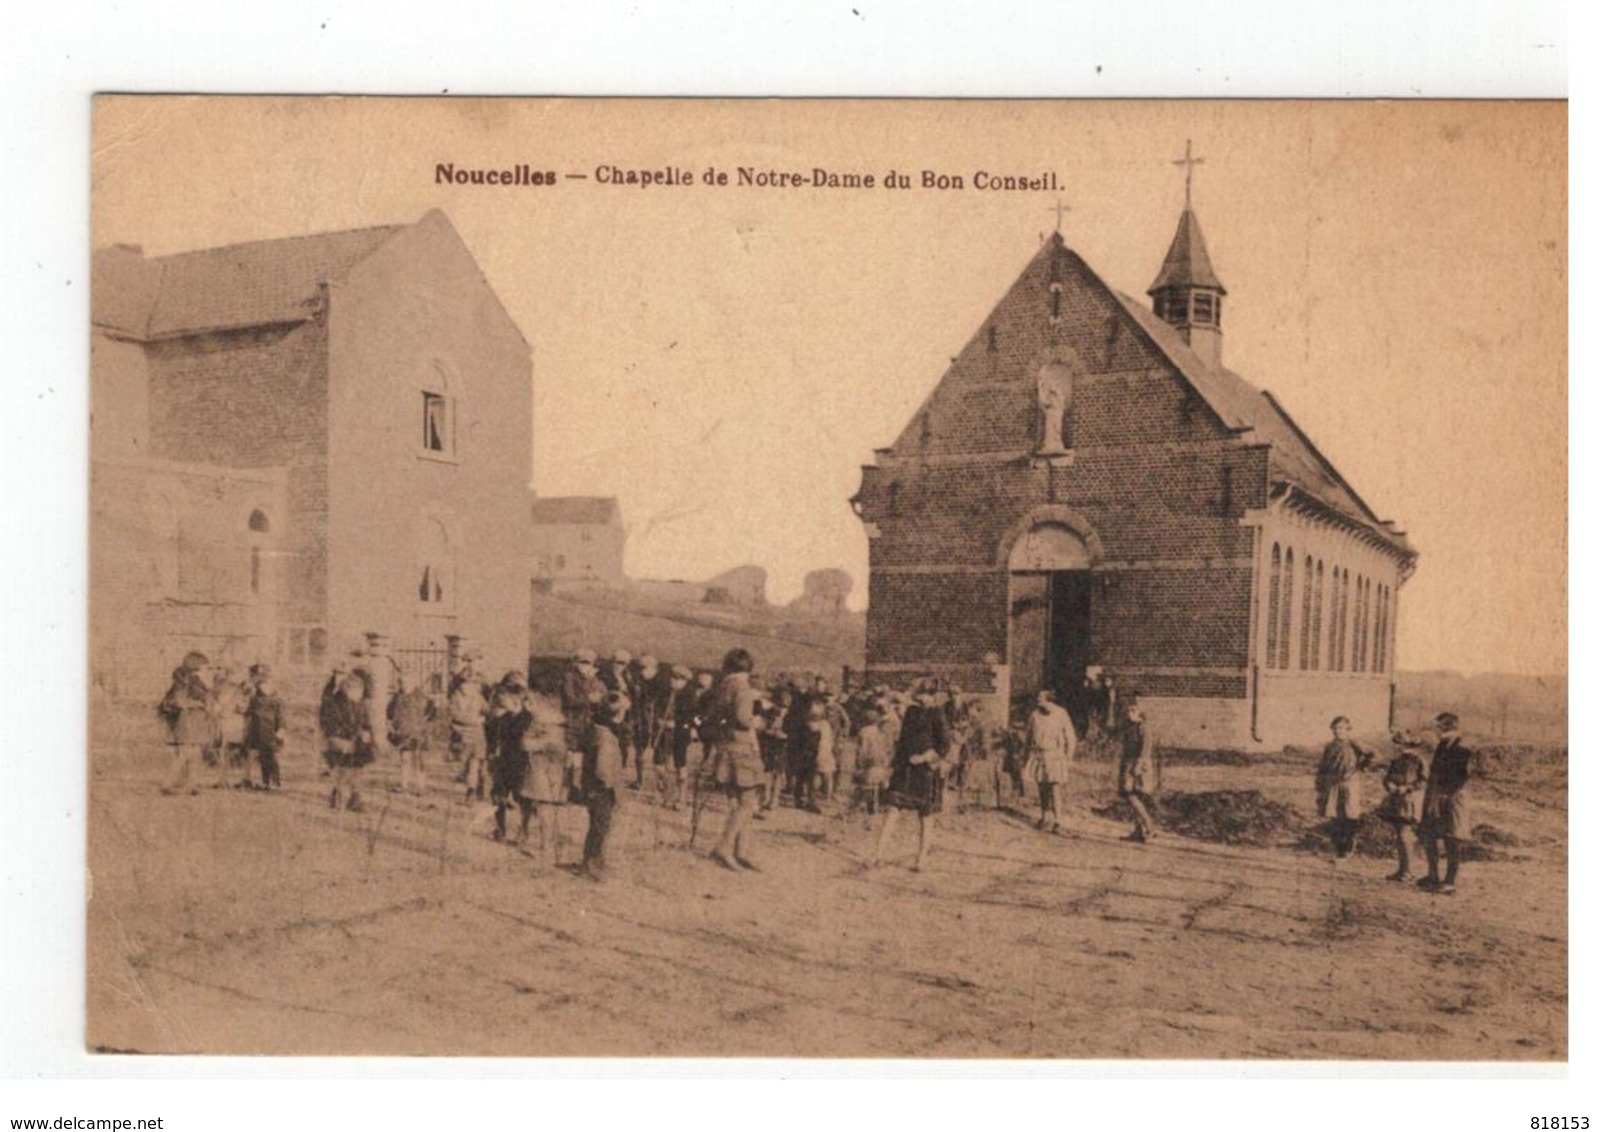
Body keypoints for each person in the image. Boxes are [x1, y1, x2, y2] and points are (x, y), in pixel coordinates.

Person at [867, 678, 952, 871]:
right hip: (905, 770)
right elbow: (903, 741)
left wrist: (923, 758)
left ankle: (921, 860)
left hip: (926, 773)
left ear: (930, 694)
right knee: (892, 811)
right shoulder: (912, 712)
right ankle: (878, 854)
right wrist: (894, 764)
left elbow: (945, 746)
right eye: (917, 694)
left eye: (921, 693)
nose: (917, 697)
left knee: (926, 817)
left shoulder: (937, 714)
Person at [708, 648, 766, 871]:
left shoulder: (722, 686)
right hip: (741, 748)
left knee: (738, 801)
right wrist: (757, 722)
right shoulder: (742, 687)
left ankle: (741, 851)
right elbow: (743, 718)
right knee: (747, 802)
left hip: (726, 747)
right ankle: (724, 847)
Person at [1418, 712, 1476, 895]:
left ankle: (1449, 882)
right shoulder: (1442, 745)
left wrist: (1445, 793)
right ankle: (1433, 875)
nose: (1435, 731)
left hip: (1453, 798)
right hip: (1437, 796)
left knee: (1452, 838)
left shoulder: (1463, 747)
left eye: (1437, 727)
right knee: (1430, 834)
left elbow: (1463, 777)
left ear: (1445, 728)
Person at [579, 692, 629, 882]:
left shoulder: (595, 730)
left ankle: (595, 860)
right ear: (617, 714)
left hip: (591, 787)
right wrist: (610, 785)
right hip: (602, 791)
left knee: (598, 826)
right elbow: (602, 769)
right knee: (600, 827)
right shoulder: (606, 738)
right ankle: (591, 864)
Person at [1315, 716, 1378, 860]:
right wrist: (1320, 784)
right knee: (1334, 815)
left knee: (1349, 814)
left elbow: (1372, 755)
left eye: (1341, 728)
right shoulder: (1330, 746)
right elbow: (1323, 767)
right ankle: (1339, 849)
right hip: (1333, 783)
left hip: (1350, 783)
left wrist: (1360, 767)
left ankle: (1349, 848)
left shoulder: (1354, 743)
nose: (1338, 731)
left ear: (1348, 730)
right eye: (1335, 728)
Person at [488, 677, 536, 845]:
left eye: (504, 699)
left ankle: (523, 831)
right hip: (504, 762)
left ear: (516, 701)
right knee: (497, 795)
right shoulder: (503, 718)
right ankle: (501, 830)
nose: (501, 702)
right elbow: (493, 737)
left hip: (522, 764)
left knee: (522, 798)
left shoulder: (529, 719)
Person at [157, 651, 212, 796]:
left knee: (195, 754)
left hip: (196, 722)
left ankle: (192, 784)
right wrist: (199, 704)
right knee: (184, 754)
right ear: (196, 667)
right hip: (187, 721)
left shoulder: (197, 683)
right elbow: (179, 702)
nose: (208, 670)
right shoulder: (184, 683)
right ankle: (167, 783)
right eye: (206, 667)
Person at [1379, 729, 1429, 883]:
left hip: (1409, 800)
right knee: (1400, 835)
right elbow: (1387, 777)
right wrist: (1390, 785)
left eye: (1400, 744)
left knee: (1404, 834)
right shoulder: (1397, 760)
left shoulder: (1419, 760)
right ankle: (1402, 870)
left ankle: (1407, 871)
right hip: (1396, 799)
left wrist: (1407, 788)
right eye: (1397, 744)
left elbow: (1424, 780)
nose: (1398, 747)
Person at [1024, 689, 1077, 834]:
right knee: (1042, 787)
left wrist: (1068, 757)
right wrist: (1025, 757)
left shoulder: (1061, 713)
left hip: (1055, 756)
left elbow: (1070, 737)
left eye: (1040, 698)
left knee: (1055, 787)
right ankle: (1044, 817)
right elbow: (1028, 738)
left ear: (1049, 700)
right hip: (1039, 755)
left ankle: (1058, 821)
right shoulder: (1034, 715)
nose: (1037, 700)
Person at [323, 673, 375, 812]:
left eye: (361, 692)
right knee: (343, 769)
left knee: (357, 770)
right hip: (339, 740)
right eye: (357, 691)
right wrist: (351, 735)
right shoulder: (335, 704)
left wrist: (367, 733)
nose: (360, 695)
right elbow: (331, 724)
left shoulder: (361, 705)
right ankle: (338, 797)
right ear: (348, 690)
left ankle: (354, 798)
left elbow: (366, 723)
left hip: (357, 742)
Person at [1117, 693, 1161, 842]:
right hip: (1128, 762)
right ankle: (1139, 830)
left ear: (1139, 712)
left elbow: (1146, 747)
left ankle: (1149, 826)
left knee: (1131, 794)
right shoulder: (1129, 727)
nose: (1129, 713)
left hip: (1138, 763)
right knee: (1131, 795)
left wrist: (1138, 765)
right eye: (1128, 710)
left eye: (1133, 710)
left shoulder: (1143, 727)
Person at [449, 659, 491, 802]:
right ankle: (472, 791)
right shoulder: (477, 696)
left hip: (460, 732)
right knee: (475, 762)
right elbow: (487, 710)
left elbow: (453, 713)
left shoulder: (455, 695)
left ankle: (470, 785)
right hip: (477, 731)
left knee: (466, 761)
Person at [388, 673, 435, 797]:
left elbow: (432, 713)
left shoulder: (423, 698)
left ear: (414, 684)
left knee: (420, 760)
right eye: (401, 682)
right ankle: (404, 785)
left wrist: (425, 725)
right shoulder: (396, 698)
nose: (403, 685)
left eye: (405, 682)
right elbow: (389, 714)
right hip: (404, 733)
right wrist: (392, 727)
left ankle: (421, 786)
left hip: (420, 733)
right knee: (405, 759)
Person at [244, 665, 287, 793]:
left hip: (271, 731)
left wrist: (281, 729)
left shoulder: (276, 700)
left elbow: (281, 717)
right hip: (257, 731)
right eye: (262, 685)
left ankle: (275, 782)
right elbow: (249, 712)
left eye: (267, 684)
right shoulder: (255, 698)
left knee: (272, 757)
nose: (264, 688)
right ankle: (266, 781)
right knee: (263, 757)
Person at [852, 705, 891, 815]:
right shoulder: (880, 732)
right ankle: (877, 804)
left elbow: (862, 749)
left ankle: (861, 805)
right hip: (880, 760)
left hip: (869, 760)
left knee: (865, 784)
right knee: (878, 784)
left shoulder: (864, 732)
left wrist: (859, 762)